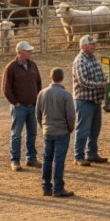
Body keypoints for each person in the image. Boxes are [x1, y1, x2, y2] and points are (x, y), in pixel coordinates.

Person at [1, 40, 43, 171]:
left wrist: (37, 99)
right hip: (19, 107)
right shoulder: (11, 67)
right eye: (27, 51)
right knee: (16, 134)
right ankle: (15, 160)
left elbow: (38, 83)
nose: (30, 52)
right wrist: (15, 102)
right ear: (19, 52)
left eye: (30, 50)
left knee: (32, 133)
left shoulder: (33, 65)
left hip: (32, 106)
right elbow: (6, 88)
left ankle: (31, 158)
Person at [36, 67, 76, 198]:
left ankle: (46, 187)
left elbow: (38, 113)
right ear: (62, 78)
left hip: (48, 130)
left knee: (47, 158)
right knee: (59, 160)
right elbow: (71, 116)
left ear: (51, 77)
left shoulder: (42, 93)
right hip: (62, 131)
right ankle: (58, 188)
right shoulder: (66, 95)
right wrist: (70, 128)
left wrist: (43, 126)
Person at [72, 35, 109, 166]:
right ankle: (78, 156)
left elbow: (100, 74)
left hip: (94, 100)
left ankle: (92, 154)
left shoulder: (92, 58)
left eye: (94, 44)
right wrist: (101, 85)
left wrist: (104, 80)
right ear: (83, 46)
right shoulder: (80, 61)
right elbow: (83, 81)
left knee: (94, 129)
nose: (94, 46)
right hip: (84, 100)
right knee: (83, 129)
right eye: (91, 44)